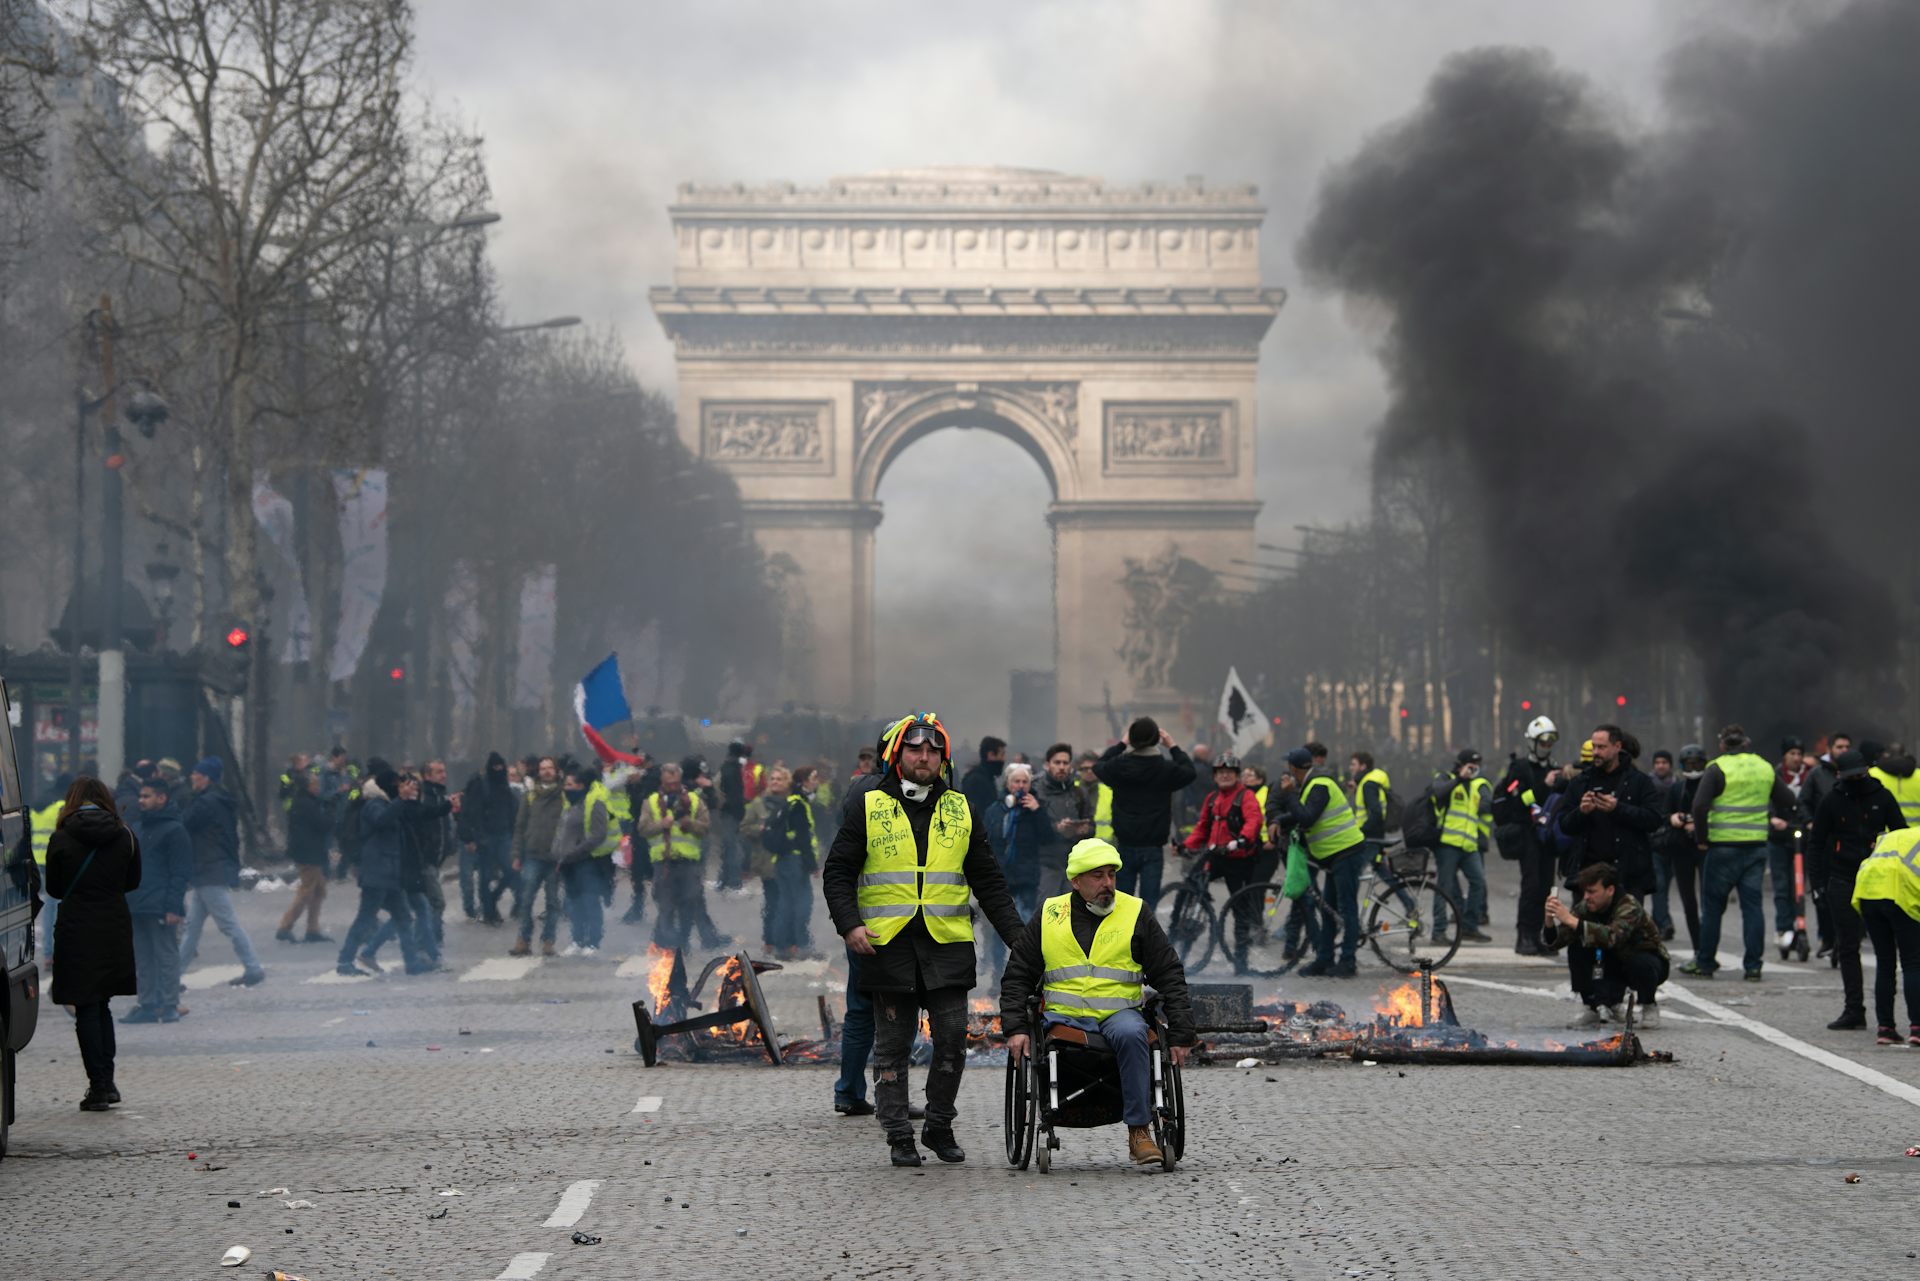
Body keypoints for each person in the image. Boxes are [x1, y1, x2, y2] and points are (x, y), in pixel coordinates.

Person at [821, 712, 1024, 1168]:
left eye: (933, 750)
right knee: (892, 1045)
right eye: (915, 749)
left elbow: (989, 882)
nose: (925, 757)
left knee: (952, 1040)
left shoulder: (961, 807)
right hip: (886, 945)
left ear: (943, 758)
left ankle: (938, 1126)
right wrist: (849, 924)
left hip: (946, 945)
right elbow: (837, 872)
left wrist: (1019, 939)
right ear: (897, 756)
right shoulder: (868, 805)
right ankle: (898, 1135)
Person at [999, 838, 1196, 1164]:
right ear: (1076, 881)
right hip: (1064, 1018)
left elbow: (1169, 973)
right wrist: (1015, 1027)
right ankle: (1052, 1119)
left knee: (1134, 1035)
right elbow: (1018, 973)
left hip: (1120, 1015)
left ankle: (1139, 1132)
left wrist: (1181, 1032)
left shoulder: (1135, 912)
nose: (1107, 884)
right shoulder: (1049, 914)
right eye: (1097, 876)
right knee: (1057, 1044)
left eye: (1111, 875)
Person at [44, 777, 141, 1110]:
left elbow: (55, 889)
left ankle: (97, 1087)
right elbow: (133, 880)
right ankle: (109, 1082)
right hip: (113, 925)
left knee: (85, 1005)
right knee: (103, 1004)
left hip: (77, 927)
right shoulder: (125, 834)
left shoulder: (61, 837)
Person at [1684, 725, 1800, 981]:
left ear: (1723, 745)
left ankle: (1705, 962)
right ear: (1746, 743)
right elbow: (1788, 800)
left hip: (1722, 848)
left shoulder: (1717, 768)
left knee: (1713, 908)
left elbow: (1700, 806)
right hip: (1756, 847)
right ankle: (1753, 965)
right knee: (1753, 908)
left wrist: (1702, 839)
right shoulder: (1764, 767)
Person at [1807, 750, 1904, 1030]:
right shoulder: (1832, 800)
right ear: (1840, 776)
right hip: (1843, 878)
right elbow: (1816, 844)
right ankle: (1854, 1010)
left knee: (1885, 948)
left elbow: (1901, 834)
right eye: (1852, 777)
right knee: (1847, 946)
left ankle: (1886, 1017)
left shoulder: (1882, 797)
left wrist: (1883, 844)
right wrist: (1818, 885)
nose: (1857, 781)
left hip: (1878, 879)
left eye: (1861, 776)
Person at [1270, 745, 1367, 977]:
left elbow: (1307, 817)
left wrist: (1290, 793)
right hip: (1332, 856)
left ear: (1293, 769)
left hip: (1347, 851)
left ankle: (1348, 961)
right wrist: (1278, 821)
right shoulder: (1312, 785)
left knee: (1347, 909)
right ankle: (1324, 959)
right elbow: (1299, 815)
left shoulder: (1320, 784)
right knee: (1328, 909)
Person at [1540, 862, 1669, 1028]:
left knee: (1640, 962)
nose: (1586, 897)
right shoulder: (1586, 907)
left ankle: (1648, 1004)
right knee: (1578, 947)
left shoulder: (1629, 906)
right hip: (1611, 963)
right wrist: (1549, 921)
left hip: (1645, 962)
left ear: (1610, 890)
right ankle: (1592, 1007)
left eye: (1592, 892)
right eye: (1585, 891)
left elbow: (1612, 937)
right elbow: (1557, 942)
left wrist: (1571, 920)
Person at [178, 757, 265, 988]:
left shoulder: (206, 803)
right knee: (192, 929)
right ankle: (172, 976)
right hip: (210, 868)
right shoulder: (218, 800)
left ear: (206, 777)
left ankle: (253, 967)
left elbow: (184, 822)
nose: (192, 777)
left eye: (196, 774)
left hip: (208, 869)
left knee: (227, 925)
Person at [333, 772, 430, 976]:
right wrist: (401, 800)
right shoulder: (374, 804)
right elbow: (381, 821)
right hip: (377, 872)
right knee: (365, 917)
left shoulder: (388, 803)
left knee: (403, 917)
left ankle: (412, 962)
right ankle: (344, 961)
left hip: (390, 872)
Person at [1092, 719, 1196, 904]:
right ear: (1157, 739)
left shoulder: (1119, 766)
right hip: (1153, 846)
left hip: (1125, 843)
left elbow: (1098, 766)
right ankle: (1145, 934)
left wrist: (1121, 744)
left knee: (1122, 905)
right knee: (1148, 907)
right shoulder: (1165, 769)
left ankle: (1125, 933)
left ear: (1131, 739)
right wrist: (1172, 746)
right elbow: (1189, 772)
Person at [1555, 726, 1663, 899]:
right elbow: (1564, 825)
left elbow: (1655, 819)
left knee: (1625, 926)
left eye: (1602, 747)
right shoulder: (1580, 782)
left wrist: (1618, 809)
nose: (1596, 752)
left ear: (1617, 747)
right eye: (1594, 747)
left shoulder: (1639, 781)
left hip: (1627, 878)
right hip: (1588, 877)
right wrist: (1581, 812)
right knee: (1584, 926)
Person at [1183, 753, 1267, 967]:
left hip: (1239, 859)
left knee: (1240, 908)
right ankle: (1186, 929)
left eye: (1229, 773)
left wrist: (1242, 840)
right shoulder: (1212, 798)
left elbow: (1254, 821)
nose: (1225, 776)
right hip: (1216, 856)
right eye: (1221, 773)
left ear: (1237, 775)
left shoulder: (1245, 796)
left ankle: (1241, 962)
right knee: (1192, 885)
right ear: (1215, 776)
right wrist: (1186, 845)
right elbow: (1202, 827)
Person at [121, 778, 192, 1024]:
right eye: (140, 796)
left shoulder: (174, 830)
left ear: (162, 798)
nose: (141, 800)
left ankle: (170, 1004)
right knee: (143, 958)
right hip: (138, 903)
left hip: (161, 905)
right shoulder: (139, 828)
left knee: (165, 955)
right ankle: (148, 1004)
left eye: (147, 796)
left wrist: (174, 906)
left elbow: (180, 872)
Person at [1494, 717, 1564, 955]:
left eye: (1550, 741)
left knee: (1547, 887)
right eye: (1542, 741)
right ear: (1532, 742)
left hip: (1547, 836)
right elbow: (1521, 801)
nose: (1547, 746)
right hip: (1528, 834)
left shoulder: (1553, 767)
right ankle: (1524, 935)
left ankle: (1543, 935)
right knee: (1531, 885)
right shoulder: (1520, 768)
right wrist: (1544, 785)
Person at [639, 761, 722, 952]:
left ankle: (683, 944)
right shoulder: (650, 802)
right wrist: (662, 824)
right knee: (665, 906)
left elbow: (706, 827)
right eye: (668, 784)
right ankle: (669, 945)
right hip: (663, 862)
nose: (672, 788)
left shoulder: (693, 800)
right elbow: (643, 829)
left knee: (688, 905)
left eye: (675, 783)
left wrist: (690, 823)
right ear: (662, 781)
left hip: (689, 863)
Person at [1853, 827, 1920, 1046]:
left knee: (1885, 962)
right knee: (1912, 963)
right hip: (1898, 894)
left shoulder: (1898, 835)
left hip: (1868, 892)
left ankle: (1885, 1028)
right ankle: (1917, 1028)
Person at [982, 761, 1048, 981]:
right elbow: (987, 840)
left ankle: (1025, 977)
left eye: (1025, 781)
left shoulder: (1037, 808)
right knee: (998, 931)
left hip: (1027, 878)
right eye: (1016, 781)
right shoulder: (995, 809)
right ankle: (997, 977)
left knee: (1028, 928)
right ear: (1007, 783)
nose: (1020, 785)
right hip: (1003, 878)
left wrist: (1037, 811)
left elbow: (1048, 838)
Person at [1431, 749, 1494, 944]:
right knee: (1444, 887)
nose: (1473, 770)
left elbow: (1487, 804)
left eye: (1476, 766)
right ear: (1461, 765)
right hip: (1448, 845)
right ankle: (1439, 931)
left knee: (1478, 883)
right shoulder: (1445, 778)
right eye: (1470, 766)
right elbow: (1438, 793)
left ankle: (1469, 926)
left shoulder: (1477, 785)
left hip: (1469, 846)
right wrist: (1459, 778)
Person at [552, 765, 614, 955]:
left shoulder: (593, 803)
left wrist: (575, 853)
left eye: (570, 784)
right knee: (574, 903)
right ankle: (577, 940)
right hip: (567, 863)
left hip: (586, 862)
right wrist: (557, 853)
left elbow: (598, 835)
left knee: (589, 901)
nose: (566, 788)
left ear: (581, 785)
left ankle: (593, 941)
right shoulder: (568, 805)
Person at [509, 757, 566, 958]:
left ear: (557, 771)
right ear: (538, 772)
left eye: (550, 768)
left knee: (552, 903)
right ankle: (523, 940)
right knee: (525, 900)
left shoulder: (565, 795)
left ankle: (548, 941)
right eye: (543, 769)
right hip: (532, 856)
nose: (547, 771)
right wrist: (516, 854)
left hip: (555, 859)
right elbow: (520, 826)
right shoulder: (530, 795)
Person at [1654, 745, 1709, 949]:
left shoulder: (1711, 786)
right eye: (1689, 763)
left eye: (1697, 763)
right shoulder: (1676, 788)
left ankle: (1707, 946)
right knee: (1689, 902)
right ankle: (1697, 946)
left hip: (1705, 847)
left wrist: (1699, 823)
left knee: (1708, 900)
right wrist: (1673, 818)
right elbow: (1663, 815)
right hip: (1681, 849)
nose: (1693, 767)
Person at [459, 752, 519, 924]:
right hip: (486, 837)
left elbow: (511, 809)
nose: (498, 770)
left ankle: (491, 900)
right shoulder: (480, 784)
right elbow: (471, 812)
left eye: (501, 766)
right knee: (485, 876)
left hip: (504, 835)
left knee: (511, 870)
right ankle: (489, 912)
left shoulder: (504, 785)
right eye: (496, 767)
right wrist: (471, 837)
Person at [1768, 737, 1815, 954]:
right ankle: (1783, 928)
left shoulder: (1810, 776)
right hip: (1779, 838)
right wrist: (1772, 819)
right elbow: (1766, 800)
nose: (1796, 758)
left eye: (1799, 753)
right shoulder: (1774, 776)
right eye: (1791, 754)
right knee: (1781, 885)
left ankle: (1800, 924)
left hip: (1802, 838)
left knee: (1799, 886)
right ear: (1784, 756)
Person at [275, 769, 333, 943]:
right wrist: (331, 811)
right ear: (308, 786)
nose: (318, 787)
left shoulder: (304, 801)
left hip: (309, 851)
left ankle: (312, 929)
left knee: (318, 890)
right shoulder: (306, 804)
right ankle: (285, 926)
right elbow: (322, 825)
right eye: (315, 784)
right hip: (309, 853)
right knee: (307, 891)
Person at [1034, 743, 1092, 901]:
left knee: (1072, 915)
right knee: (1046, 913)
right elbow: (1030, 828)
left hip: (1073, 865)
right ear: (1047, 765)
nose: (1061, 767)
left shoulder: (1079, 792)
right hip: (1045, 864)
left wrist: (1085, 830)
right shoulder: (1036, 791)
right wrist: (1057, 829)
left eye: (1065, 763)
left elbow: (1091, 825)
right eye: (1057, 763)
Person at [715, 739, 764, 892]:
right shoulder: (733, 769)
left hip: (737, 811)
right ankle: (733, 881)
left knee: (731, 846)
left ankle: (726, 879)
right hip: (737, 812)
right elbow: (733, 793)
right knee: (734, 847)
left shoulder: (730, 767)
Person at [959, 736, 1007, 823]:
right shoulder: (975, 780)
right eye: (1002, 754)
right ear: (991, 755)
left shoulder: (987, 778)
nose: (1004, 759)